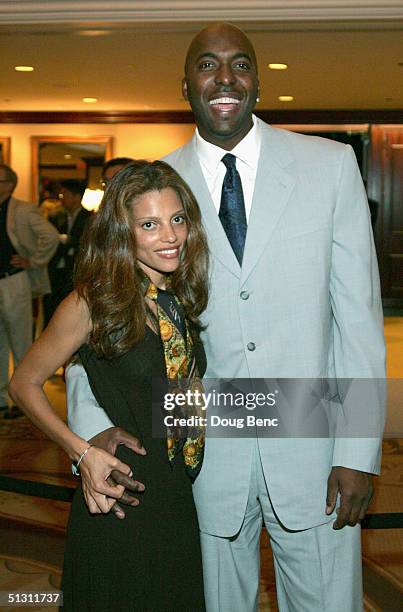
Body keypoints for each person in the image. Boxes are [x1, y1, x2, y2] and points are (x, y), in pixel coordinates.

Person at [65, 23, 385, 612]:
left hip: (313, 433)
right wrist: (91, 431)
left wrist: (357, 452)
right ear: (185, 84)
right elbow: (94, 324)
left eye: (240, 64)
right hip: (195, 444)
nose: (225, 78)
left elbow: (357, 321)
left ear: (258, 81)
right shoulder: (149, 188)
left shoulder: (330, 166)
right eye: (208, 65)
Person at [9, 161, 209, 611]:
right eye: (149, 225)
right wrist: (80, 450)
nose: (170, 236)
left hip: (177, 491)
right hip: (122, 492)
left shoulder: (182, 294)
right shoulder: (91, 301)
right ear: (123, 231)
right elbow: (23, 383)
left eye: (177, 220)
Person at [0, 163, 58, 419]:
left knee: (20, 341)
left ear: (10, 184)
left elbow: (51, 236)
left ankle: (23, 401)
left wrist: (33, 260)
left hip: (14, 280)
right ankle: (2, 399)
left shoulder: (23, 210)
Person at [43, 179, 91, 327]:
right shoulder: (57, 216)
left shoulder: (89, 218)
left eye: (65, 195)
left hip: (75, 275)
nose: (62, 199)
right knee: (50, 313)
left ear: (76, 197)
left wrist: (68, 241)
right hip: (55, 272)